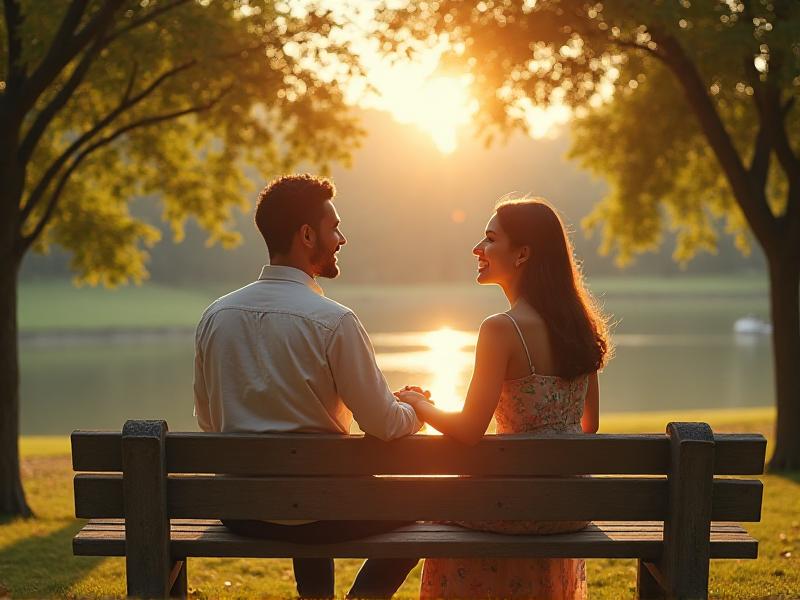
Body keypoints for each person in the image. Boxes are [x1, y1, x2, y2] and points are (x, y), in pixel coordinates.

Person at [193, 174, 431, 599]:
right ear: (306, 235)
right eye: (333, 227)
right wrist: (415, 408)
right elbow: (385, 425)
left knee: (308, 478)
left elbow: (210, 422)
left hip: (241, 510)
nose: (341, 238)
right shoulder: (334, 320)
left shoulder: (215, 316)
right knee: (421, 507)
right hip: (324, 509)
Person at [396, 197, 610, 600]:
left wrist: (418, 403)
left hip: (510, 507)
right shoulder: (579, 327)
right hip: (569, 508)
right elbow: (589, 424)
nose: (478, 249)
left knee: (411, 510)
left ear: (523, 254)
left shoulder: (500, 330)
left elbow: (469, 430)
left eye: (490, 239)